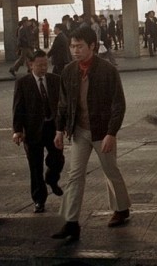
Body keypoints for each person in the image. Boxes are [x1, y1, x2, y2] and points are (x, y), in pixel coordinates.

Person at [51, 25, 131, 241]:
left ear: (93, 46)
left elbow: (118, 104)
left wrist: (111, 133)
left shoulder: (107, 70)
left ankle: (121, 208)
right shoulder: (68, 71)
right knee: (74, 175)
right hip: (78, 131)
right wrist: (59, 130)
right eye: (72, 46)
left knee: (110, 170)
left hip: (102, 131)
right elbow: (63, 104)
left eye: (79, 46)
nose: (75, 50)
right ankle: (71, 222)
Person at [12, 50, 64, 214]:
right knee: (35, 167)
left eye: (45, 64)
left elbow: (63, 105)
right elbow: (18, 108)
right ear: (31, 65)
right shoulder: (23, 83)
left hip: (52, 128)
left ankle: (52, 178)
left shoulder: (55, 80)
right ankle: (39, 200)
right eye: (39, 65)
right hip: (32, 131)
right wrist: (17, 130)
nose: (43, 68)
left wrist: (63, 127)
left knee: (57, 158)